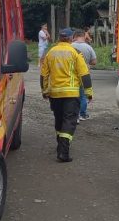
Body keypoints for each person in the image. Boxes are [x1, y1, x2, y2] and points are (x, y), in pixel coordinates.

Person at [40, 27, 93, 162]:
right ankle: (63, 152)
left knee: (59, 119)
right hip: (71, 94)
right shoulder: (75, 53)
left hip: (55, 94)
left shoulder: (51, 52)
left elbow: (44, 75)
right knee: (69, 121)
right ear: (71, 38)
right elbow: (84, 74)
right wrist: (88, 92)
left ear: (59, 38)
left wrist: (44, 91)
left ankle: (60, 145)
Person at [71, 29, 97, 121]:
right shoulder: (88, 47)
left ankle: (74, 114)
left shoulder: (70, 46)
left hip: (72, 75)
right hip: (84, 75)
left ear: (75, 36)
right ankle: (82, 114)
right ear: (83, 36)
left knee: (73, 96)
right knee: (83, 96)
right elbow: (94, 61)